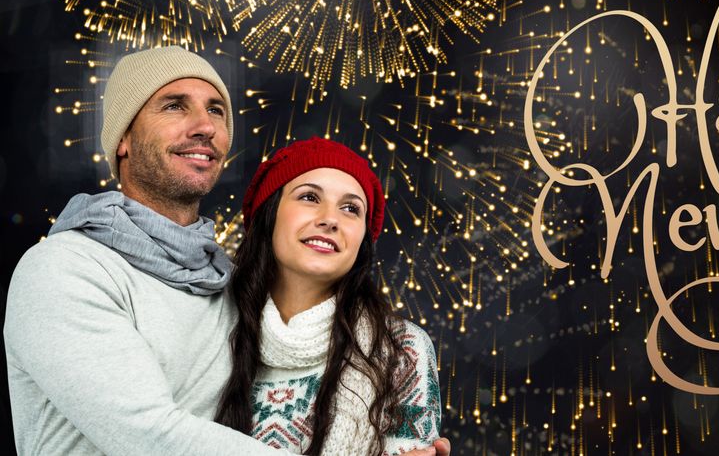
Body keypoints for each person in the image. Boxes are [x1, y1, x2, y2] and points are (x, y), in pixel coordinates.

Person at [4, 46, 449, 456]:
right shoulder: (65, 268)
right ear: (123, 138)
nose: (206, 126)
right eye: (175, 105)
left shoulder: (223, 290)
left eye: (216, 110)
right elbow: (144, 431)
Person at [215, 137, 443, 456]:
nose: (330, 219)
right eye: (309, 197)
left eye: (351, 208)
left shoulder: (401, 351)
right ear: (269, 214)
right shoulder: (210, 329)